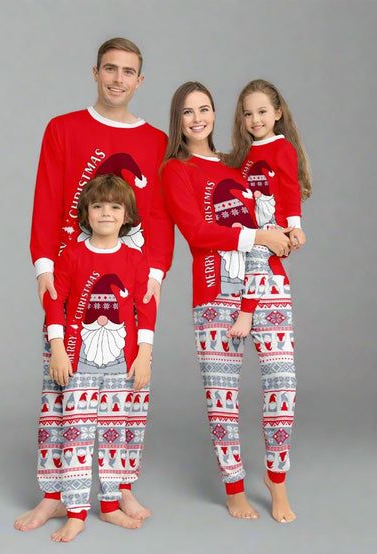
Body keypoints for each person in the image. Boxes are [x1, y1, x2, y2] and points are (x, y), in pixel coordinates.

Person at [15, 37, 173, 532]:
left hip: (129, 280)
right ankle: (55, 495)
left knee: (127, 393)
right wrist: (44, 267)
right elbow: (47, 196)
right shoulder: (63, 129)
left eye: (128, 71)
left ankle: (118, 489)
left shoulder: (153, 141)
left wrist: (155, 273)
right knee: (60, 394)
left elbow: (158, 213)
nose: (118, 79)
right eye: (110, 69)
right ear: (95, 72)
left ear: (140, 80)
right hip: (70, 277)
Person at [160, 81, 295, 522]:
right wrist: (259, 234)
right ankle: (234, 487)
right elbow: (198, 233)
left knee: (283, 385)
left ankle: (276, 480)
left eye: (205, 108)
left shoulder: (238, 163)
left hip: (268, 284)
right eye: (187, 112)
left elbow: (274, 204)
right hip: (216, 291)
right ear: (177, 120)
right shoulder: (175, 170)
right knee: (223, 397)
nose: (197, 118)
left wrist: (286, 233)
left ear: (218, 114)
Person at [45, 174, 156, 541]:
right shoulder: (72, 255)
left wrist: (144, 354)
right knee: (76, 434)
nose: (105, 213)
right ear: (86, 213)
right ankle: (76, 511)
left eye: (114, 206)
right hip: (79, 361)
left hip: (122, 363)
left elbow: (145, 307)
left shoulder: (136, 259)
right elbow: (55, 303)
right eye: (97, 206)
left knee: (115, 433)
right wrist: (59, 348)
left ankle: (109, 506)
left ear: (126, 215)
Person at [225, 78, 311, 339]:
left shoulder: (282, 147)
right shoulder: (244, 153)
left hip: (275, 225)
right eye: (248, 114)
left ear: (277, 113)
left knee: (259, 252)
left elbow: (289, 186)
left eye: (262, 112)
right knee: (251, 254)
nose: (255, 120)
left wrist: (295, 226)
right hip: (251, 227)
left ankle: (247, 312)